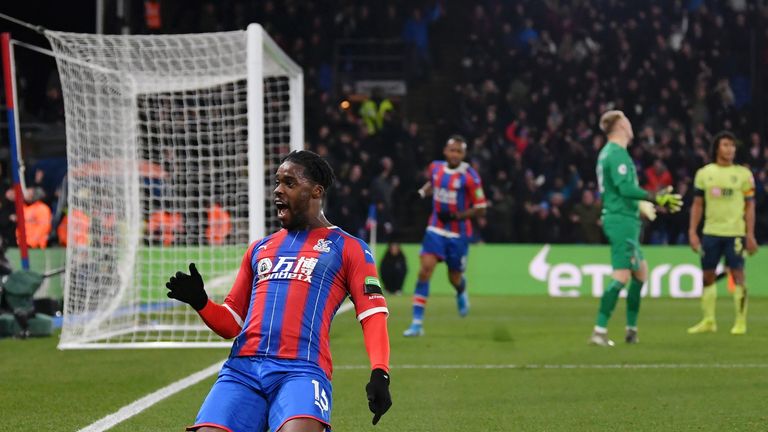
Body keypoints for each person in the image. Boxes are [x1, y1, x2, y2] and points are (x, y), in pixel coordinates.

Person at [166, 150, 392, 432]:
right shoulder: (259, 249)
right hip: (242, 370)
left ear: (315, 191)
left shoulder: (349, 247)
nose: (277, 190)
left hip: (302, 370)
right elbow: (231, 324)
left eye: (289, 183)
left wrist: (380, 372)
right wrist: (201, 302)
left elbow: (372, 314)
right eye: (277, 182)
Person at [589, 110, 683, 346]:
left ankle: (631, 330)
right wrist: (653, 196)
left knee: (640, 273)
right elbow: (623, 188)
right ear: (620, 125)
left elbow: (618, 190)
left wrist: (640, 204)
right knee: (621, 275)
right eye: (627, 121)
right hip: (620, 220)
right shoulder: (617, 153)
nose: (631, 126)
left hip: (624, 217)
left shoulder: (609, 153)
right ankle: (599, 331)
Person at [403, 135, 487, 337]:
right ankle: (416, 323)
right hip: (435, 229)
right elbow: (432, 183)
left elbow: (481, 208)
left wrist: (456, 215)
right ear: (445, 151)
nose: (455, 154)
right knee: (425, 270)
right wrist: (421, 193)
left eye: (459, 151)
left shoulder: (470, 176)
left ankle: (460, 290)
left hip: (458, 233)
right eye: (452, 150)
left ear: (464, 154)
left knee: (454, 276)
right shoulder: (436, 168)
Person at [687, 131, 758, 335]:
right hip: (711, 232)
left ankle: (740, 322)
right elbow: (697, 204)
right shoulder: (704, 173)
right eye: (726, 145)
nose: (730, 149)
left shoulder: (744, 175)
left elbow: (749, 207)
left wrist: (750, 234)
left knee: (738, 275)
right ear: (717, 148)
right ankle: (709, 320)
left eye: (732, 145)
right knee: (707, 276)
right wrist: (693, 231)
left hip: (735, 233)